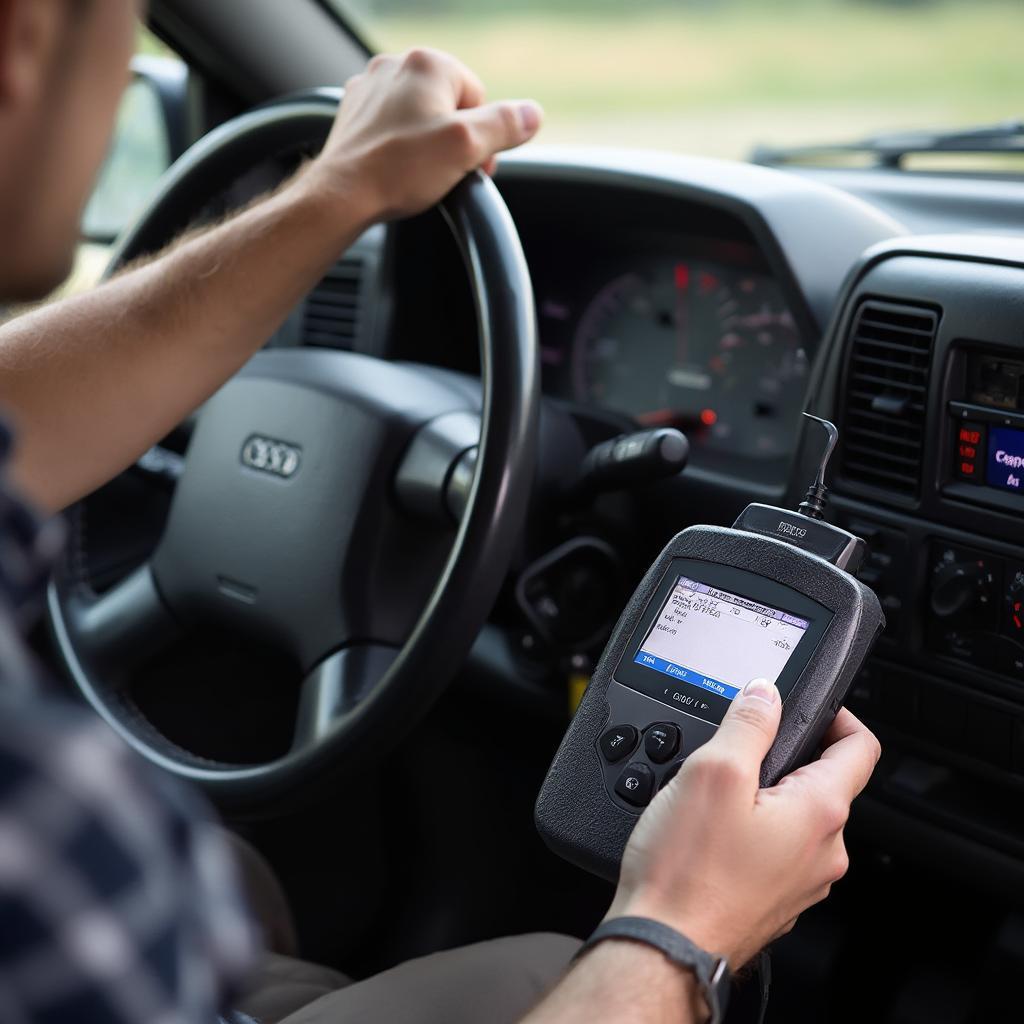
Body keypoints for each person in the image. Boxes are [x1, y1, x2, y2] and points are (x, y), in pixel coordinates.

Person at [0, 1, 881, 1021]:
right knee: (553, 962)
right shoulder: (44, 814)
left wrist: (341, 190)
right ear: (25, 37)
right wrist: (685, 933)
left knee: (238, 882)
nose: (125, 74)